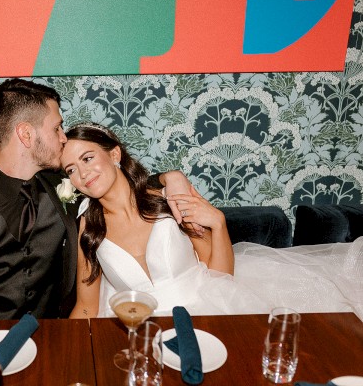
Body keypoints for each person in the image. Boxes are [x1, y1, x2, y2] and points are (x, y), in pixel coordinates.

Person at [0, 79, 193, 320]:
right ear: (26, 134)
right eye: (57, 127)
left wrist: (170, 177)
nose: (63, 138)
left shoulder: (65, 186)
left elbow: (115, 182)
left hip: (54, 337)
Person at [62, 123, 362, 319]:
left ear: (114, 153)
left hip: (206, 311)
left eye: (87, 158)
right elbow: (87, 306)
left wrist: (218, 223)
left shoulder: (170, 200)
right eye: (71, 170)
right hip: (138, 326)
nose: (82, 174)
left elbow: (220, 276)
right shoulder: (88, 228)